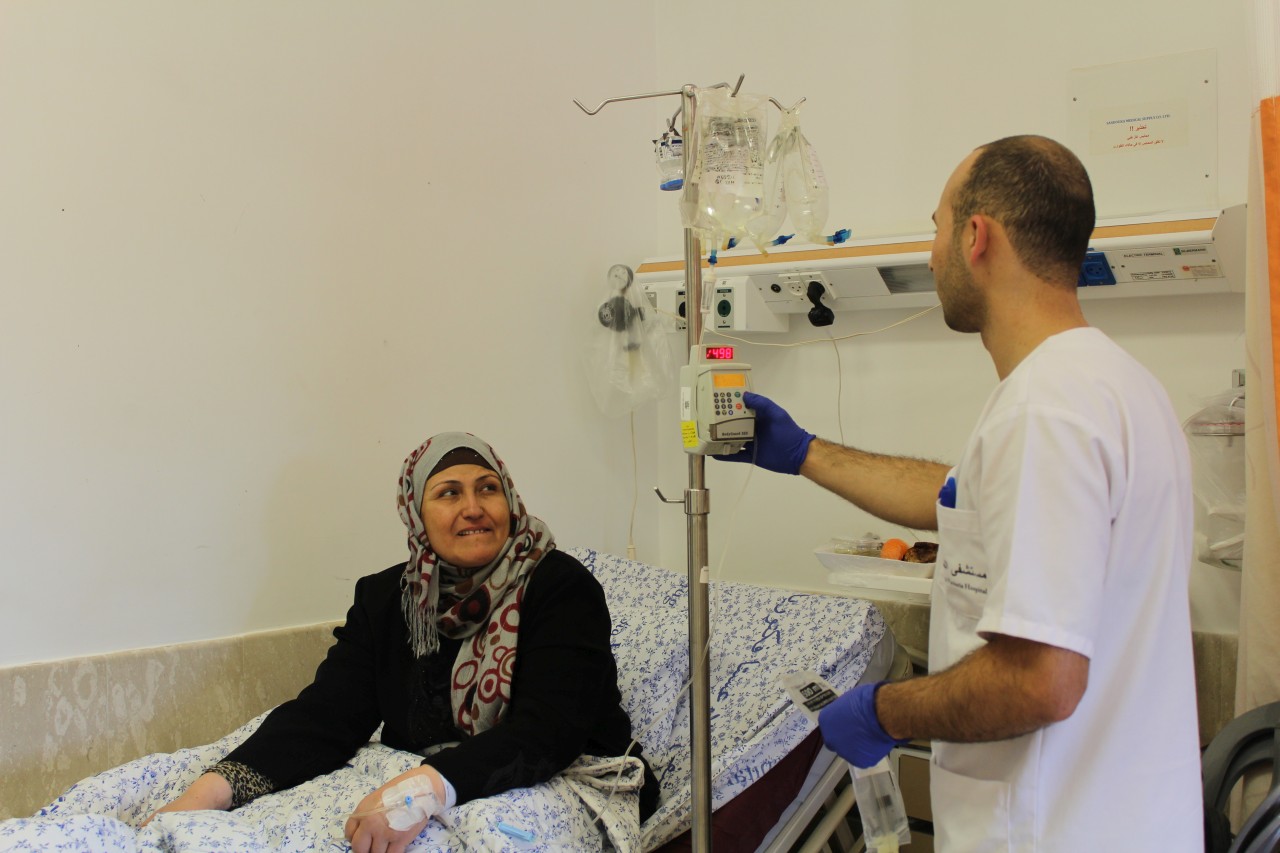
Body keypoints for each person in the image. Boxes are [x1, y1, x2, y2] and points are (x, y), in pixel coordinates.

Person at [716, 136, 1202, 850]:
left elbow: (1038, 681)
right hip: (1125, 816)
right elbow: (960, 499)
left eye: (937, 226)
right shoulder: (1117, 386)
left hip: (1053, 827)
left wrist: (886, 709)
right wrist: (806, 454)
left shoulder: (1044, 411)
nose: (934, 249)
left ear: (978, 237)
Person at [149, 431, 659, 851]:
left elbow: (550, 730)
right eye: (449, 493)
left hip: (560, 776)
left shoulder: (559, 586)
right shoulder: (387, 598)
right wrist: (212, 792)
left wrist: (419, 792)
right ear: (415, 512)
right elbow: (326, 717)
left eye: (488, 489)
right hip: (425, 773)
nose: (473, 507)